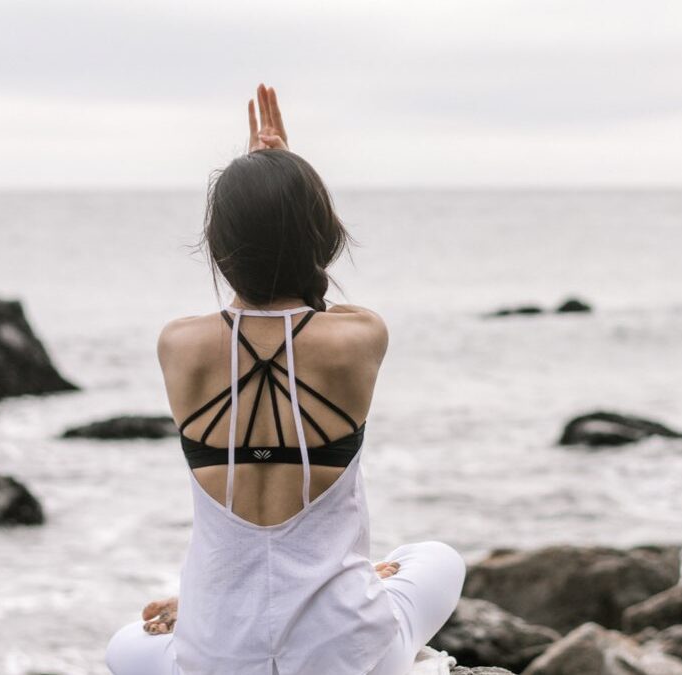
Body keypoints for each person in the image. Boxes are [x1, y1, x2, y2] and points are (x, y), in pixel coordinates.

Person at [104, 82, 466, 675]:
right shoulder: (358, 337)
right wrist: (288, 188)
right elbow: (311, 295)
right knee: (436, 557)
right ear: (319, 237)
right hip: (345, 653)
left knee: (126, 645)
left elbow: (260, 302)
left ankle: (198, 609)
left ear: (218, 248)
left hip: (218, 655)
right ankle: (355, 589)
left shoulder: (180, 344)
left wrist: (263, 188)